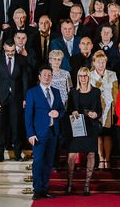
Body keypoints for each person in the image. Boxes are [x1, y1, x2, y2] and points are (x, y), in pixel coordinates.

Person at [25, 68, 66, 200]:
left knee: (49, 162)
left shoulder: (56, 92)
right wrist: (30, 133)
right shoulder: (32, 92)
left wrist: (58, 113)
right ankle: (37, 190)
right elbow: (28, 115)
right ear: (39, 76)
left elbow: (62, 110)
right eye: (44, 75)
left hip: (53, 132)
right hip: (38, 133)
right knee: (38, 161)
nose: (47, 77)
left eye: (49, 75)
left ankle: (44, 188)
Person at [65, 67, 102, 196]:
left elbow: (99, 110)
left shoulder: (96, 91)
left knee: (91, 154)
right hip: (77, 126)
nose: (83, 78)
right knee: (71, 155)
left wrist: (95, 114)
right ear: (78, 77)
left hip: (91, 126)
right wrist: (73, 112)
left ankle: (87, 184)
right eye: (81, 76)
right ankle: (69, 183)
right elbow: (69, 109)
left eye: (85, 76)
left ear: (89, 77)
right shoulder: (73, 92)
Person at [89, 51, 118, 169]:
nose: (101, 64)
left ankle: (108, 159)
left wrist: (115, 108)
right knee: (98, 134)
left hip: (109, 106)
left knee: (107, 134)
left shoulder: (112, 74)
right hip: (96, 108)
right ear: (94, 63)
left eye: (103, 62)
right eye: (98, 62)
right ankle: (101, 159)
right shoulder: (90, 75)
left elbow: (115, 92)